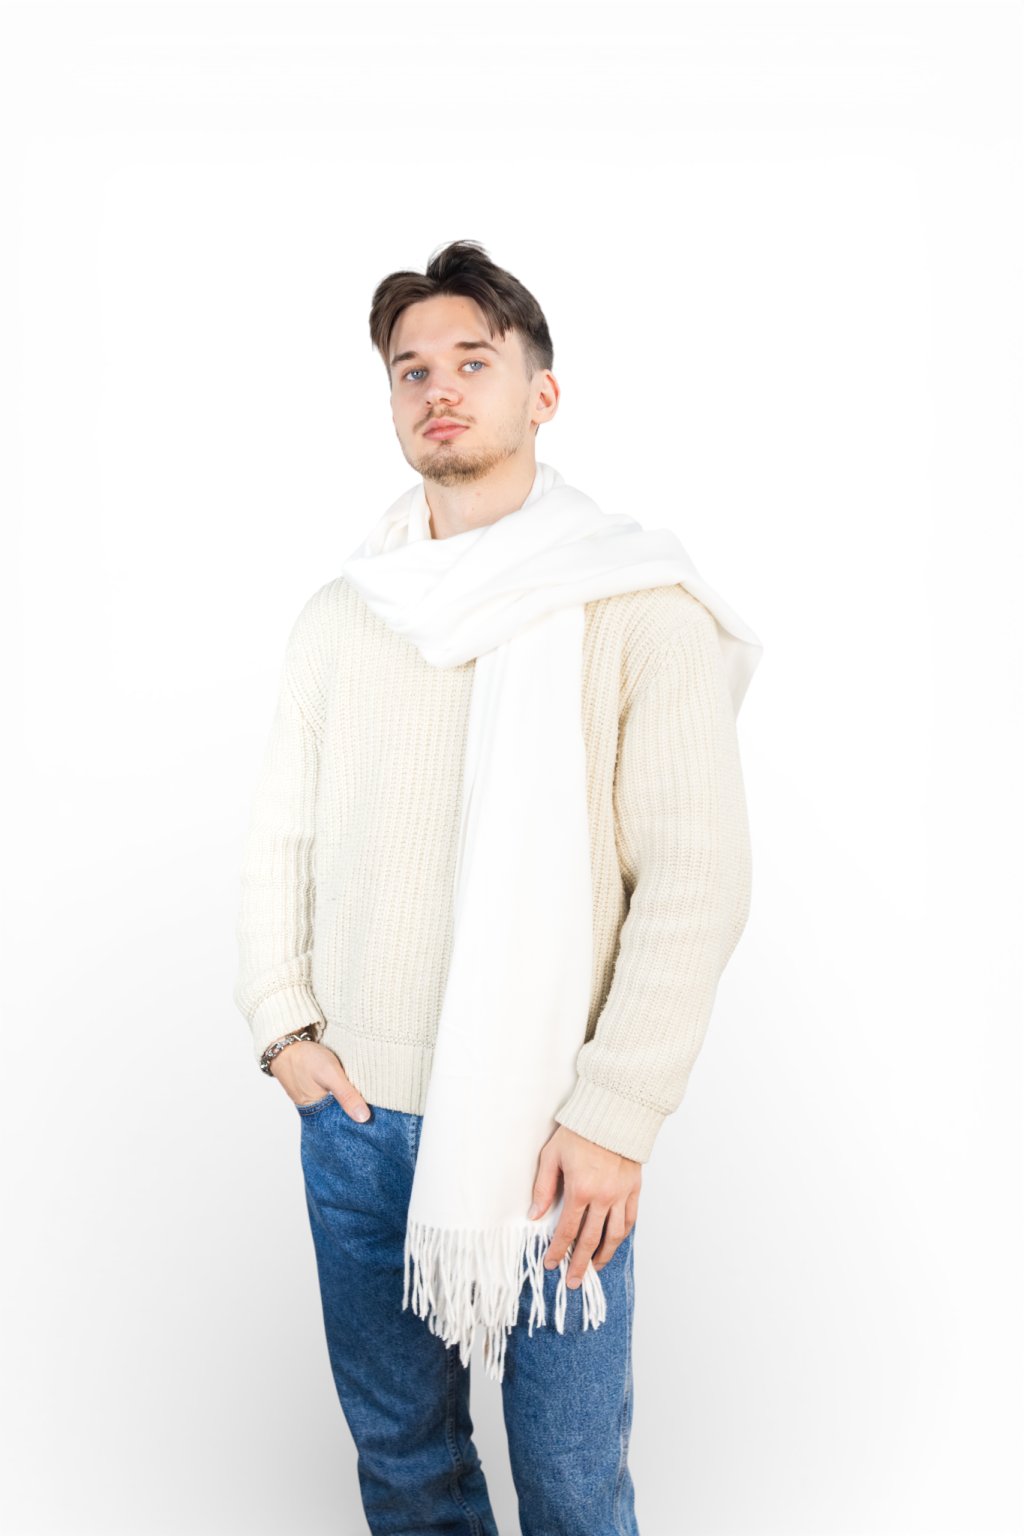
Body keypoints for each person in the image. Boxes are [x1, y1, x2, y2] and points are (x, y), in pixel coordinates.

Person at [233, 238, 759, 1536]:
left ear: (543, 391)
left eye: (474, 361)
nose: (440, 389)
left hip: (553, 1129)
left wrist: (617, 1113)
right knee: (405, 1464)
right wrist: (285, 1031)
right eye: (411, 370)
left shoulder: (636, 606)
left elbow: (694, 880)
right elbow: (279, 838)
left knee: (572, 1485)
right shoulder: (342, 615)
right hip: (359, 1119)